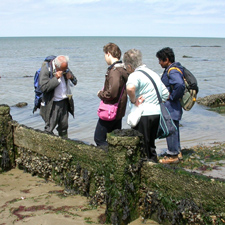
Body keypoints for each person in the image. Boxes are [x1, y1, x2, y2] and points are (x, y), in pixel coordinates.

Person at [123, 49, 169, 163]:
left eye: (126, 68)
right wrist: (154, 101)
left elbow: (130, 88)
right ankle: (154, 166)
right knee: (151, 145)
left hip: (143, 115)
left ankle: (145, 173)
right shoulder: (153, 73)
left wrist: (134, 101)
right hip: (156, 114)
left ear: (129, 66)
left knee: (141, 147)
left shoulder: (135, 75)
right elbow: (166, 94)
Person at [94, 43, 129, 146]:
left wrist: (100, 94)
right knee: (114, 139)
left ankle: (108, 160)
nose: (105, 58)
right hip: (118, 110)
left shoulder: (115, 71)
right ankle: (115, 158)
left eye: (105, 55)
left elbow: (112, 93)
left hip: (109, 111)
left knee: (99, 138)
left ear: (108, 53)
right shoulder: (123, 69)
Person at [156, 47, 185, 164]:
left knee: (170, 128)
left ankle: (173, 155)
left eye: (160, 60)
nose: (159, 63)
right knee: (175, 128)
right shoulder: (175, 68)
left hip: (171, 106)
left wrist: (172, 96)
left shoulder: (172, 70)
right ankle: (177, 152)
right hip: (174, 106)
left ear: (166, 59)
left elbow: (179, 84)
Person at [39, 55, 77, 138]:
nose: (64, 70)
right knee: (49, 128)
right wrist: (56, 78)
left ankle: (64, 145)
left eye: (65, 69)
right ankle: (47, 146)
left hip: (64, 102)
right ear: (56, 66)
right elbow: (43, 88)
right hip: (52, 104)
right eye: (62, 69)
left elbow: (75, 81)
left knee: (64, 127)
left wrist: (71, 77)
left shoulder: (65, 67)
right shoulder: (46, 69)